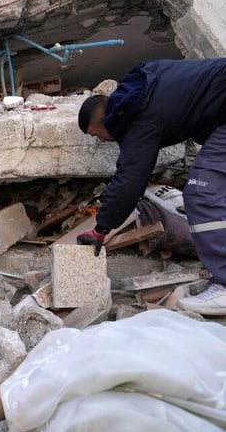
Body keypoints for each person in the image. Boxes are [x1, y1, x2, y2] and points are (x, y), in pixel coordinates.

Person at [76, 58, 226, 315]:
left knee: (202, 192)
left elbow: (130, 181)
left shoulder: (138, 119)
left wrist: (101, 229)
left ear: (102, 122)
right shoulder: (144, 82)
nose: (100, 140)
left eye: (95, 135)